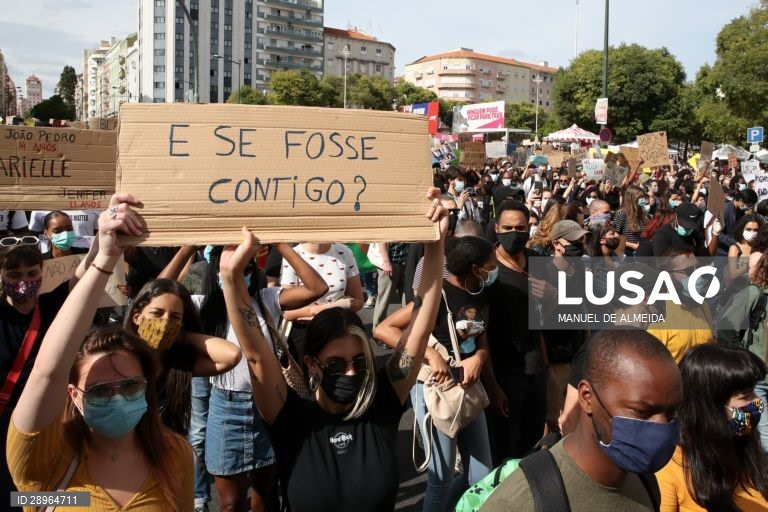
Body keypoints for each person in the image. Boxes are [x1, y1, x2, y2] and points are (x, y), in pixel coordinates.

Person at [221, 189, 447, 512]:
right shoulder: (291, 418)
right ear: (312, 365)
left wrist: (435, 247)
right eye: (337, 365)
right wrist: (231, 280)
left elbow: (421, 326)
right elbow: (256, 355)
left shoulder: (382, 404)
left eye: (359, 362)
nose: (352, 372)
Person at [7, 194, 195, 510]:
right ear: (74, 395)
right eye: (99, 390)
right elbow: (47, 371)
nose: (117, 396)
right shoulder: (48, 460)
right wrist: (105, 258)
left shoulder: (175, 454)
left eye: (130, 385)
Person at [481, 329, 682, 511]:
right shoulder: (517, 503)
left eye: (672, 412)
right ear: (587, 397)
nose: (662, 426)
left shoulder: (644, 480)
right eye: (642, 412)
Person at [376, 234, 494, 511]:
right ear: (475, 267)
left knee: (481, 474)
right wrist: (430, 354)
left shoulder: (480, 293)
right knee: (440, 478)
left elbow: (483, 340)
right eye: (491, 265)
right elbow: (383, 329)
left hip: (468, 390)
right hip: (434, 389)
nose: (494, 269)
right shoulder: (435, 294)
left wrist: (479, 357)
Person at [656, 344, 768, 511]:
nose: (757, 401)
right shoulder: (670, 466)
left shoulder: (744, 443)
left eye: (754, 391)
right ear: (710, 408)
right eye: (746, 396)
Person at [123, 278, 242, 433]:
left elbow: (231, 355)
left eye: (175, 318)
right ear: (136, 317)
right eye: (157, 313)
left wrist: (182, 335)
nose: (165, 322)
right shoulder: (119, 357)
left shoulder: (177, 363)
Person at [484, 200, 547, 464]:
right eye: (507, 227)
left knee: (532, 447)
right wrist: (493, 386)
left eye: (521, 228)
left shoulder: (538, 261)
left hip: (536, 371)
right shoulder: (485, 269)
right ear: (496, 228)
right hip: (503, 374)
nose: (514, 233)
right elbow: (480, 332)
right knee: (503, 451)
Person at [613, 186, 649, 257]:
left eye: (643, 197)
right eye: (640, 197)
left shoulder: (641, 213)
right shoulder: (622, 213)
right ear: (633, 198)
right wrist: (632, 245)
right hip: (626, 252)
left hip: (639, 251)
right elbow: (615, 235)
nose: (643, 200)